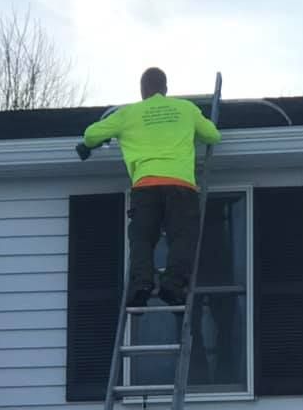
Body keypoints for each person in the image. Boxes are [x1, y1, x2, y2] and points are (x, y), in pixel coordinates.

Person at [75, 68, 221, 306]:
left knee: (142, 238)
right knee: (183, 237)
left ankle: (142, 283)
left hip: (145, 185)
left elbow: (90, 134)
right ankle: (172, 284)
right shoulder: (186, 109)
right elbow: (213, 136)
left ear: (142, 90)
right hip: (180, 184)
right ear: (166, 88)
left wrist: (101, 139)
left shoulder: (128, 114)